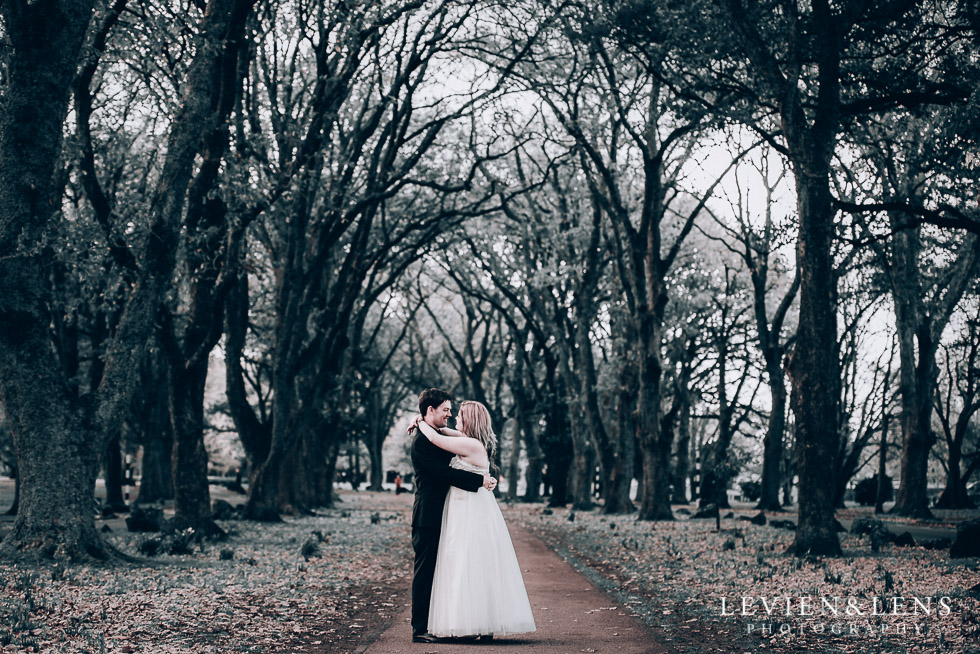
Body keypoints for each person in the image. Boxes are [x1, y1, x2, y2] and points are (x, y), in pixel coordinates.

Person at [414, 400, 536, 640]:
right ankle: (480, 623)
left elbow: (437, 439)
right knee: (470, 563)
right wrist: (419, 421)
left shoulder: (471, 444)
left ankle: (478, 623)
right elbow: (441, 432)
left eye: (459, 415)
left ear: (469, 420)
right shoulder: (467, 440)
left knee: (468, 562)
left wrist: (419, 421)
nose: (455, 418)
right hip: (463, 506)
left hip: (469, 508)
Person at [409, 389, 497, 644]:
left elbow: (452, 444)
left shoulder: (439, 435)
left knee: (452, 568)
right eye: (446, 409)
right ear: (430, 411)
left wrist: (419, 422)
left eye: (452, 410)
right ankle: (420, 629)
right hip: (428, 513)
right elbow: (442, 474)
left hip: (449, 512)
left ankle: (459, 621)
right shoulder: (424, 441)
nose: (450, 413)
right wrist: (480, 479)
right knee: (425, 570)